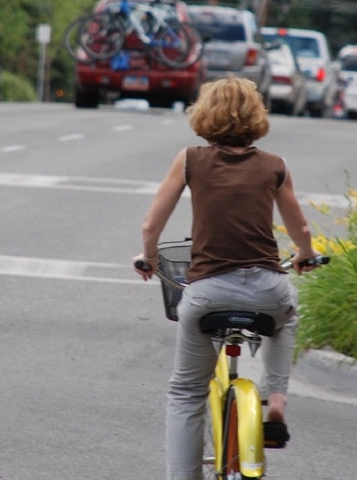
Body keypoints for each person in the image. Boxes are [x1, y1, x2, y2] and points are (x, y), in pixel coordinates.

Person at [133, 77, 322, 480]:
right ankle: (276, 397)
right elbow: (300, 230)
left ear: (204, 114)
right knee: (287, 315)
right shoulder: (276, 165)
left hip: (208, 293)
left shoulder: (189, 160)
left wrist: (149, 259)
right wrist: (304, 255)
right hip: (268, 289)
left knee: (186, 392)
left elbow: (151, 226)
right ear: (257, 115)